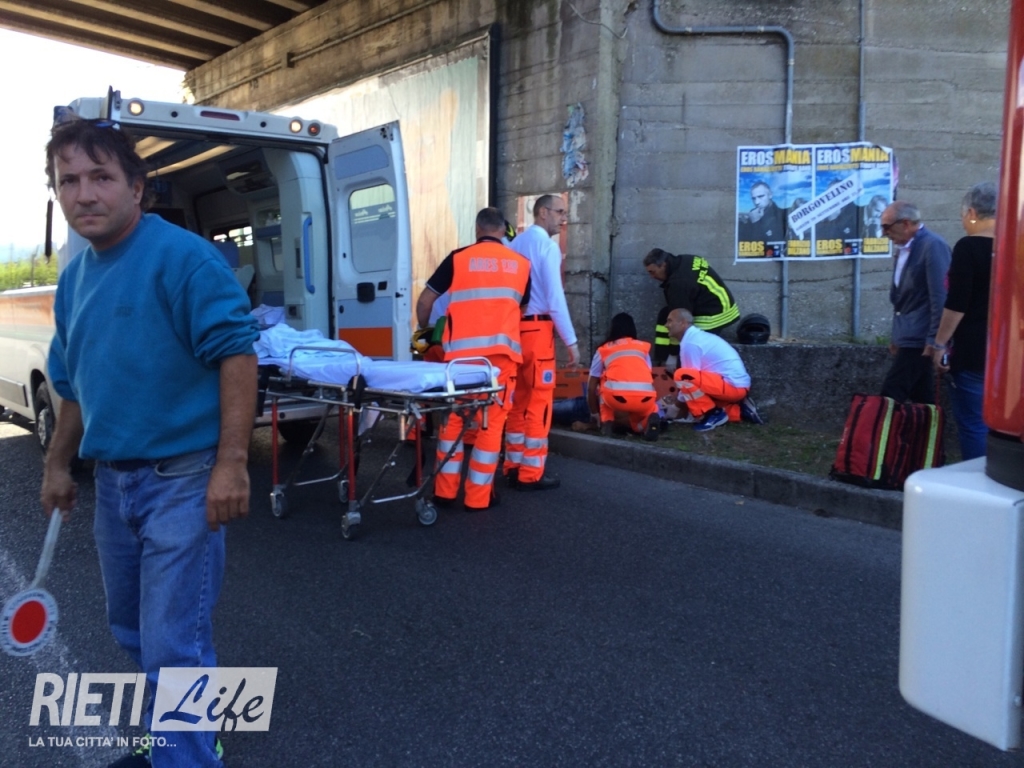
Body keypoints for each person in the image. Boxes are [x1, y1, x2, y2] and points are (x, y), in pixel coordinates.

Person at [40, 119, 259, 768]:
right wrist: (57, 463)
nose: (84, 194)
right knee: (133, 630)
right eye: (68, 181)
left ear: (136, 188)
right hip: (115, 485)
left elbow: (237, 354)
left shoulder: (183, 258)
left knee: (172, 644)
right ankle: (180, 736)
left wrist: (232, 463)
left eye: (101, 177)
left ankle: (184, 755)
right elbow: (72, 384)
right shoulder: (75, 280)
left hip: (183, 482)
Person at [416, 207, 531, 510]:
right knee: (491, 427)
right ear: (502, 230)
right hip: (501, 361)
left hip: (460, 362)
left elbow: (426, 301)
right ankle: (478, 498)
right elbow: (520, 308)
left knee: (452, 422)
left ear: (478, 229)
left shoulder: (458, 258)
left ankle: (444, 492)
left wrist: (424, 330)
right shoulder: (521, 264)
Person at [503, 194, 579, 492]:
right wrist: (571, 341)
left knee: (517, 401)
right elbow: (554, 297)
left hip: (515, 331)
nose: (564, 218)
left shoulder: (515, 245)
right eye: (560, 212)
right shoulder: (547, 247)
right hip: (538, 333)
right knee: (539, 403)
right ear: (543, 212)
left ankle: (512, 465)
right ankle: (531, 472)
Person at [931, 182, 996, 460]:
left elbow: (957, 304)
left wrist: (939, 344)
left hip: (973, 350)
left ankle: (978, 479)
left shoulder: (968, 247)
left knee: (974, 424)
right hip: (1011, 352)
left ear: (972, 213)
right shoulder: (1016, 247)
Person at [879, 201, 952, 404]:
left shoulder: (932, 246)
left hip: (920, 339)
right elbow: (902, 301)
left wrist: (935, 340)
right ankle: (927, 426)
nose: (884, 233)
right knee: (921, 397)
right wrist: (897, 336)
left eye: (886, 227)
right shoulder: (904, 249)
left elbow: (940, 296)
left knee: (891, 393)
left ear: (905, 223)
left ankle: (876, 425)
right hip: (909, 337)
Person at [663, 308, 762, 432]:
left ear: (683, 323)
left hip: (732, 386)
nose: (666, 325)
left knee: (682, 375)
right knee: (696, 391)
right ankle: (741, 411)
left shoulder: (691, 343)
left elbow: (687, 381)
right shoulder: (695, 338)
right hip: (735, 386)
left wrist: (674, 409)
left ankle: (712, 415)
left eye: (670, 321)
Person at [643, 248, 740, 366]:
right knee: (665, 314)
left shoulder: (678, 284)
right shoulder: (686, 259)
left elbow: (679, 323)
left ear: (663, 265)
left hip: (713, 315)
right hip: (723, 303)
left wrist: (674, 354)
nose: (652, 276)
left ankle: (678, 366)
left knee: (688, 346)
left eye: (652, 272)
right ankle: (661, 357)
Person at [586, 312, 660, 441]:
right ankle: (646, 422)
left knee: (603, 381)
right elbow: (647, 376)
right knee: (644, 413)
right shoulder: (642, 348)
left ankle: (606, 421)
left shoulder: (604, 349)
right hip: (645, 398)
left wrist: (594, 414)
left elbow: (591, 387)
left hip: (615, 399)